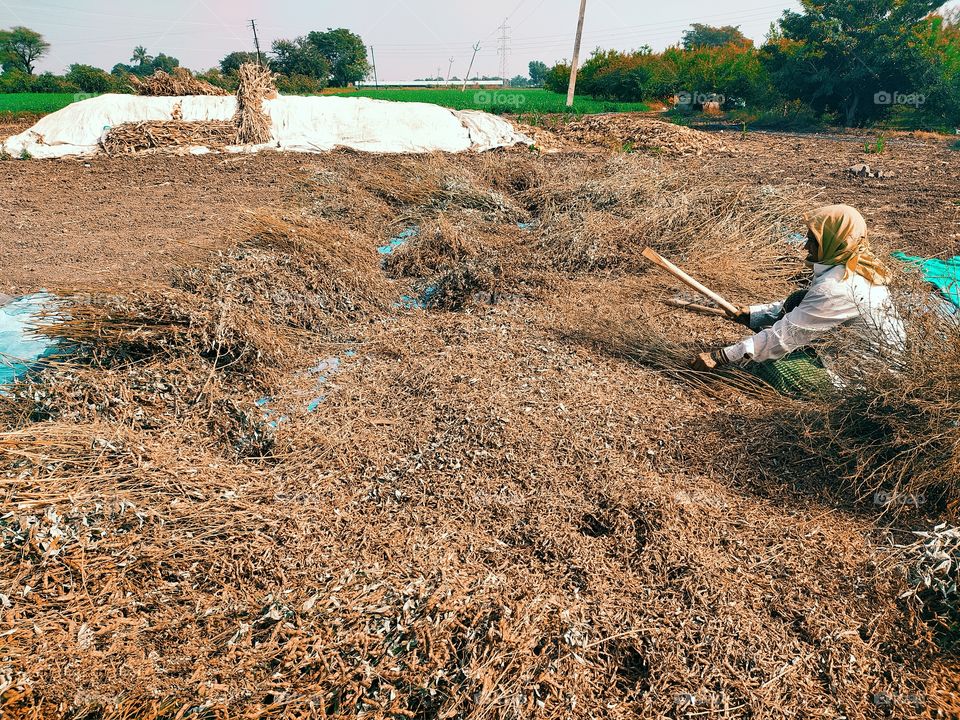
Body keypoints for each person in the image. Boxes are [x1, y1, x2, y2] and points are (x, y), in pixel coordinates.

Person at [690, 204, 905, 393]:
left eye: (813, 240)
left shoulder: (838, 287)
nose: (805, 246)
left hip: (863, 377)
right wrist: (754, 314)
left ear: (834, 241)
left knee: (768, 366)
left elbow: (783, 337)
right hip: (847, 348)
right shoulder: (851, 264)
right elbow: (806, 305)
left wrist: (720, 356)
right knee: (797, 299)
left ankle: (832, 391)